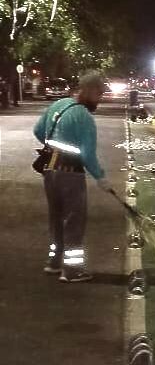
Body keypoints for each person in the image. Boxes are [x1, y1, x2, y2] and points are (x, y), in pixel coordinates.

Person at [33, 71, 112, 283]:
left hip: (49, 171)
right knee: (74, 221)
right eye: (99, 94)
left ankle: (54, 263)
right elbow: (87, 155)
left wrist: (55, 145)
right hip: (70, 174)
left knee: (56, 218)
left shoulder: (58, 105)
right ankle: (72, 270)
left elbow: (38, 130)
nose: (100, 99)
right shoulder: (84, 117)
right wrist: (101, 177)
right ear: (89, 91)